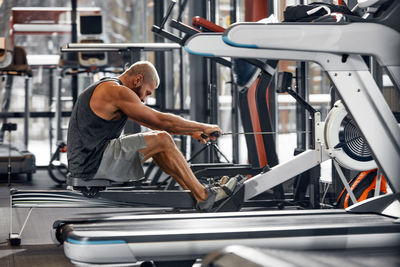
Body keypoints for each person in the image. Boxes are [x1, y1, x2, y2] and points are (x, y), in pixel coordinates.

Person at [67, 60, 238, 211]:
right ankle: (204, 195)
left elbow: (148, 122)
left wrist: (191, 131)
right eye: (147, 93)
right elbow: (159, 121)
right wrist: (203, 126)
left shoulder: (109, 89)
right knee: (161, 138)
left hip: (89, 161)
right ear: (138, 80)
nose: (144, 100)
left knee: (159, 139)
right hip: (93, 162)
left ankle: (199, 193)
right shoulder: (115, 90)